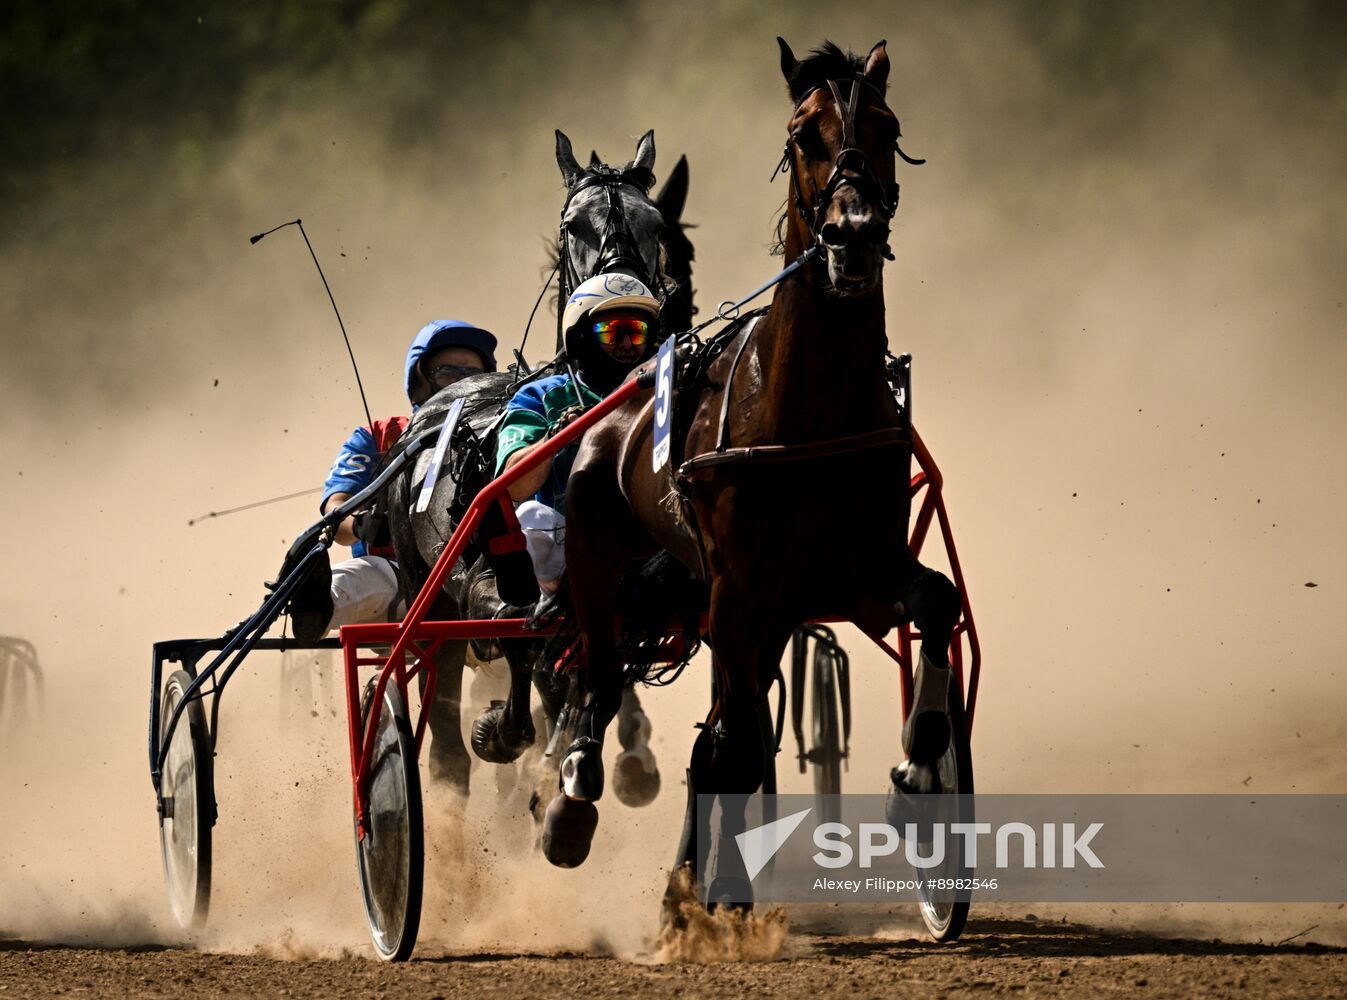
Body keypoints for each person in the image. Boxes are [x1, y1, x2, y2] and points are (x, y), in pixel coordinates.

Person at [288, 319, 497, 643]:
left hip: (487, 579)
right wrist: (362, 525)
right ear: (420, 380)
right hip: (400, 579)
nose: (460, 382)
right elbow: (335, 511)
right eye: (447, 371)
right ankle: (316, 607)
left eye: (472, 374)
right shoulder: (378, 437)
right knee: (368, 578)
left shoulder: (505, 432)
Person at [494, 272, 659, 595]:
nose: (627, 344)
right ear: (581, 337)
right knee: (531, 516)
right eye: (613, 332)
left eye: (637, 332)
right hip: (570, 548)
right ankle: (555, 612)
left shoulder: (664, 392)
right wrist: (559, 434)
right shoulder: (542, 395)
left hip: (650, 540)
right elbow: (514, 484)